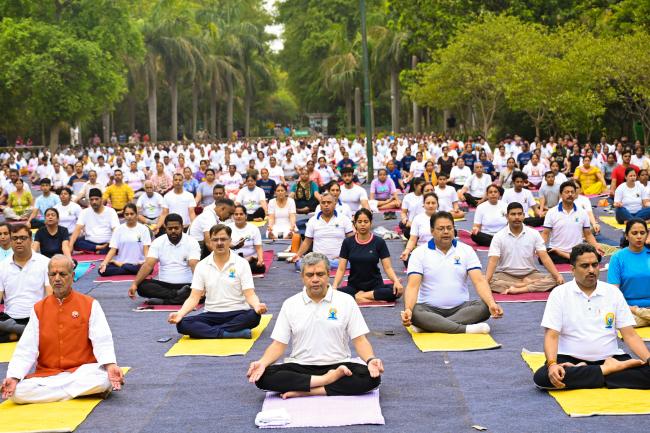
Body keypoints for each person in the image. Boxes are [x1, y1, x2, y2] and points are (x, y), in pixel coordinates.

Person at [248, 252, 383, 398]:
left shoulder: (346, 301)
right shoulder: (290, 304)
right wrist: (262, 362)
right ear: (302, 277)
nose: (315, 279)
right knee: (262, 377)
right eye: (310, 275)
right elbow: (278, 345)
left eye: (320, 274)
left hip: (338, 364)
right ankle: (325, 381)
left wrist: (370, 360)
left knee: (371, 377)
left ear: (328, 274)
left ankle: (310, 390)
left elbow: (360, 340)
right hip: (300, 366)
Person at [1, 255, 124, 404]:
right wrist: (14, 376)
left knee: (103, 379)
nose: (57, 278)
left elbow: (102, 339)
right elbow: (26, 348)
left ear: (72, 276)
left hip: (82, 372)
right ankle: (75, 393)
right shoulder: (38, 309)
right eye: (53, 274)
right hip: (49, 375)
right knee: (18, 393)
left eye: (62, 274)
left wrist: (110, 365)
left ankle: (56, 395)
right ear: (48, 277)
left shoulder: (90, 304)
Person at [532, 244, 650, 390]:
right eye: (585, 266)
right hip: (570, 359)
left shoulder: (612, 293)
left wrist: (648, 359)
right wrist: (552, 364)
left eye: (595, 265)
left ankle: (593, 373)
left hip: (611, 357)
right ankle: (608, 371)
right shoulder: (559, 294)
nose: (591, 270)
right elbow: (551, 335)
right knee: (543, 377)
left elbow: (630, 335)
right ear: (573, 269)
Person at [401, 212, 504, 334]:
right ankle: (465, 329)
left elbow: (479, 281)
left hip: (461, 308)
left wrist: (491, 303)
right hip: (429, 309)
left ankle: (430, 326)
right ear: (432, 231)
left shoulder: (466, 250)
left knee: (485, 306)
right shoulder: (419, 253)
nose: (446, 232)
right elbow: (413, 286)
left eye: (449, 228)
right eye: (441, 228)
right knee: (415, 312)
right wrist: (408, 309)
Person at [168, 224, 267, 339]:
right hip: (212, 314)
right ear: (210, 242)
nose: (219, 243)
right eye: (215, 240)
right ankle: (229, 333)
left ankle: (212, 332)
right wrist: (180, 314)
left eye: (223, 239)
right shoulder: (201, 266)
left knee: (254, 316)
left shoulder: (242, 263)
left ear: (230, 241)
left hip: (238, 312)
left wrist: (257, 306)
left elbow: (249, 294)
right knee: (182, 324)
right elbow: (194, 297)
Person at [485, 202, 563, 294]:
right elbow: (493, 261)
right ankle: (524, 285)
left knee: (555, 279)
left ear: (524, 216)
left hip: (530, 274)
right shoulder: (498, 236)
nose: (517, 217)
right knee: (485, 279)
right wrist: (486, 281)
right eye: (513, 214)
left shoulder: (534, 234)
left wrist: (557, 276)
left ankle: (519, 289)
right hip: (505, 274)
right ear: (507, 216)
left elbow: (544, 257)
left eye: (519, 214)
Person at [333, 209, 403, 303]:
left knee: (397, 291)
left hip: (375, 287)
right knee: (332, 294)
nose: (362, 224)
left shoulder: (379, 242)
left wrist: (396, 281)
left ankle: (361, 297)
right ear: (355, 224)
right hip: (354, 287)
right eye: (359, 222)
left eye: (366, 221)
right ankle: (366, 298)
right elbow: (341, 269)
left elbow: (388, 267)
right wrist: (334, 286)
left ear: (370, 223)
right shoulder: (348, 242)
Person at [129, 213, 200, 305]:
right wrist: (135, 284)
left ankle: (165, 301)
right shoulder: (158, 242)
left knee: (201, 294)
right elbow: (148, 265)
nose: (173, 231)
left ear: (182, 227)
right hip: (164, 285)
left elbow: (194, 265)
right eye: (170, 229)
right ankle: (177, 295)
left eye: (176, 228)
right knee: (142, 286)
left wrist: (201, 286)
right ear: (165, 227)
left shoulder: (192, 242)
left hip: (186, 285)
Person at [0, 224, 51, 343]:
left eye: (23, 238)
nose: (18, 241)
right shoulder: (2, 266)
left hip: (37, 317)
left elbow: (50, 295)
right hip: (10, 320)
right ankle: (27, 333)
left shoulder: (45, 262)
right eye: (15, 238)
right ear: (11, 241)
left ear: (31, 240)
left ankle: (15, 335)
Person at [541, 181, 604, 264]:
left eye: (572, 192)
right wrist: (539, 248)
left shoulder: (582, 212)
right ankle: (575, 259)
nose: (570, 194)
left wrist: (596, 245)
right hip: (555, 250)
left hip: (577, 251)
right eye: (567, 192)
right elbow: (545, 233)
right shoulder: (552, 212)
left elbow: (588, 234)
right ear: (560, 194)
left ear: (575, 194)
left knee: (597, 256)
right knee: (543, 257)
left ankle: (570, 257)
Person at [289, 193, 354, 269]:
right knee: (299, 263)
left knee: (351, 262)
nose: (326, 205)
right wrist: (298, 255)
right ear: (320, 205)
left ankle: (324, 265)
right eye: (323, 203)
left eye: (329, 202)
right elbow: (307, 242)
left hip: (339, 259)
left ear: (335, 204)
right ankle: (326, 265)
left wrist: (346, 255)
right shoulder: (312, 221)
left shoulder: (344, 219)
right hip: (318, 259)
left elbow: (352, 240)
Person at [607, 219, 650, 326]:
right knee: (616, 320)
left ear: (647, 235)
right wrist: (635, 310)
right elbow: (613, 293)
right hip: (628, 309)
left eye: (642, 233)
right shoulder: (617, 258)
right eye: (634, 233)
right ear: (626, 236)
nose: (639, 236)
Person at [98, 204, 151, 277]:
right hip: (121, 263)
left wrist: (146, 262)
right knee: (102, 270)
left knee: (149, 269)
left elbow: (146, 249)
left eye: (132, 214)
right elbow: (113, 249)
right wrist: (104, 263)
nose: (129, 216)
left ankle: (125, 267)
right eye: (127, 214)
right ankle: (129, 268)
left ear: (136, 214)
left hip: (138, 263)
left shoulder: (144, 229)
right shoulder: (118, 229)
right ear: (124, 215)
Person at [70, 188, 119, 254]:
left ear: (101, 199)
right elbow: (77, 229)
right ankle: (98, 249)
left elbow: (116, 230)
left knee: (117, 244)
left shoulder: (111, 211)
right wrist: (70, 246)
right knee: (74, 242)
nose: (94, 202)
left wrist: (113, 243)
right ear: (89, 201)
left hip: (107, 242)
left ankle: (94, 250)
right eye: (92, 200)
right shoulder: (84, 212)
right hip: (90, 242)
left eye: (96, 199)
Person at [400, 193, 439, 263]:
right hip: (422, 251)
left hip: (440, 251)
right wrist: (407, 251)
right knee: (407, 259)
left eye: (433, 203)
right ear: (423, 205)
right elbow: (412, 239)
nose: (431, 205)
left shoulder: (443, 217)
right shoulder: (418, 219)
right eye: (428, 203)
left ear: (437, 204)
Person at [227, 205, 266, 274]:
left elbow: (258, 247)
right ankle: (241, 266)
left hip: (251, 259)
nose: (238, 216)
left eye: (241, 214)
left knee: (261, 268)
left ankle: (239, 268)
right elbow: (226, 245)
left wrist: (260, 260)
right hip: (233, 260)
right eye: (236, 214)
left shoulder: (254, 228)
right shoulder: (228, 228)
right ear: (233, 216)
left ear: (246, 216)